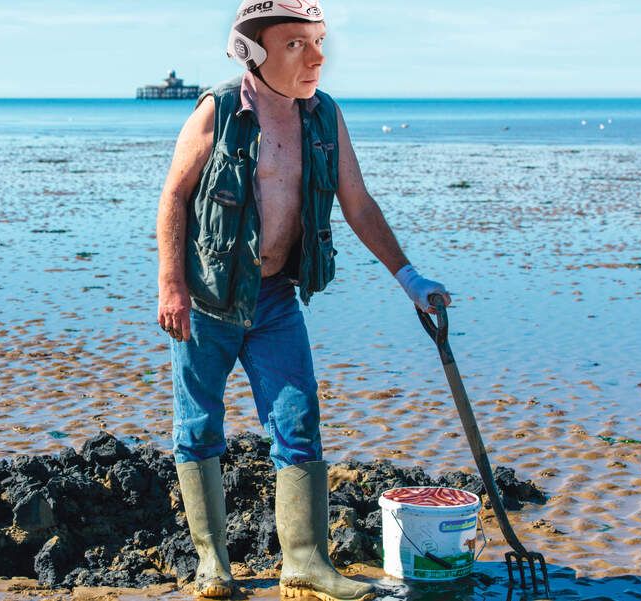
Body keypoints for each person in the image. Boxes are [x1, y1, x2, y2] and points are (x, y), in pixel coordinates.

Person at [155, 1, 451, 599]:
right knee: (198, 427)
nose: (316, 56)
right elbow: (174, 199)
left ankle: (307, 562)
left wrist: (410, 278)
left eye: (319, 41)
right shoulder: (217, 111)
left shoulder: (324, 117)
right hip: (209, 299)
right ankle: (212, 565)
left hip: (275, 299)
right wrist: (172, 285)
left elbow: (358, 203)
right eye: (296, 44)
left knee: (298, 422)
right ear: (254, 52)